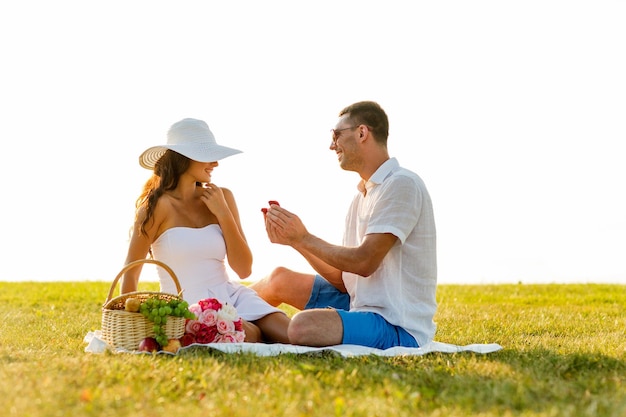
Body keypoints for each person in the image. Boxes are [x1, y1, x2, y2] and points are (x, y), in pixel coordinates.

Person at [251, 101, 437, 349]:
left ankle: (243, 332)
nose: (331, 145)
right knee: (277, 279)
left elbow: (364, 262)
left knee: (302, 326)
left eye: (336, 135)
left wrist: (304, 237)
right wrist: (295, 241)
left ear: (362, 133)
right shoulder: (361, 196)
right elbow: (343, 280)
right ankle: (211, 318)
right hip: (358, 304)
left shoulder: (401, 184)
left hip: (395, 325)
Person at [121, 118, 290, 343]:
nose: (216, 163)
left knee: (295, 332)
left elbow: (244, 269)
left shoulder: (222, 197)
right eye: (207, 155)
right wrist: (130, 320)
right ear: (184, 158)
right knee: (254, 335)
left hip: (233, 296)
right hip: (189, 307)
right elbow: (131, 272)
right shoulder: (155, 207)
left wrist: (223, 214)